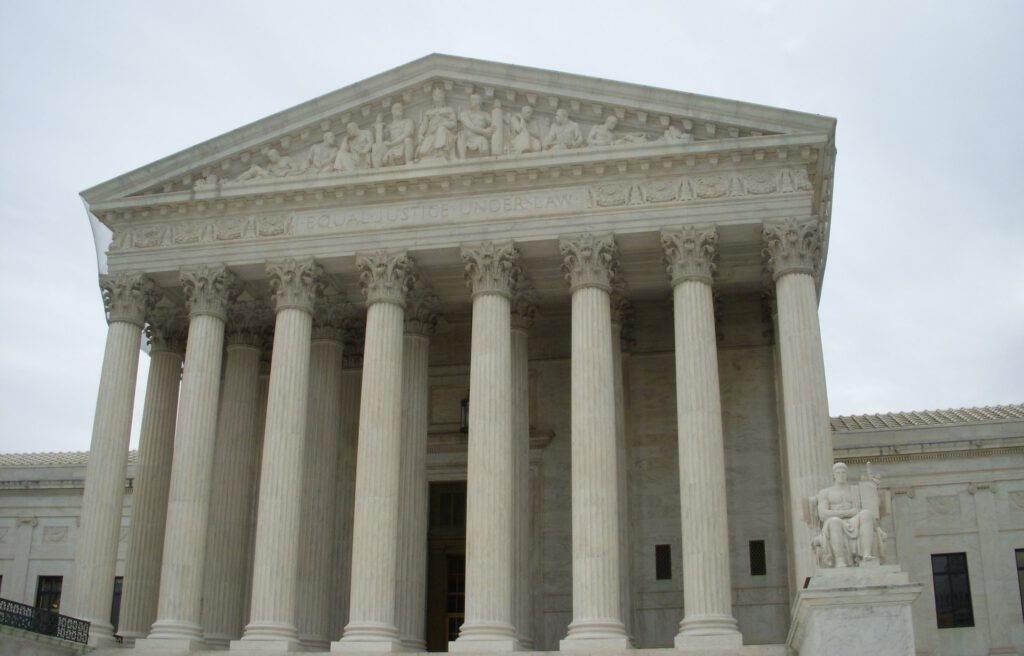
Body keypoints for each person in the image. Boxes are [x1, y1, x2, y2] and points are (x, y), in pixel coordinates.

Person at [815, 462, 882, 567]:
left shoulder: (855, 490)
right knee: (834, 521)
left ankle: (866, 554)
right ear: (834, 475)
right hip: (834, 520)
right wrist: (845, 512)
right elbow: (822, 513)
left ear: (846, 475)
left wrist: (872, 488)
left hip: (854, 520)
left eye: (843, 473)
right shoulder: (826, 492)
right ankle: (840, 560)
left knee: (866, 514)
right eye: (838, 473)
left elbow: (872, 506)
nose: (841, 475)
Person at [417, 87, 458, 161]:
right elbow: (424, 125)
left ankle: (440, 151)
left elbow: (454, 124)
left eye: (439, 94)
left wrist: (443, 124)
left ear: (443, 96)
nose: (437, 97)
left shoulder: (449, 109)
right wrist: (420, 134)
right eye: (435, 95)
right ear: (432, 97)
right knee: (423, 152)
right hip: (431, 135)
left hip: (446, 135)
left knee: (441, 128)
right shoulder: (429, 112)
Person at [373, 102, 416, 167]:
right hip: (392, 149)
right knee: (376, 146)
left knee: (408, 140)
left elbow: (406, 134)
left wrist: (392, 143)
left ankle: (408, 162)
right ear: (392, 111)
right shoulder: (389, 126)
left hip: (403, 146)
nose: (401, 109)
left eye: (401, 108)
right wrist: (379, 123)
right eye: (397, 108)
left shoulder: (408, 121)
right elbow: (380, 142)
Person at [457, 93, 495, 159]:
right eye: (471, 100)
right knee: (461, 134)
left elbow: (494, 124)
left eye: (473, 99)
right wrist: (485, 131)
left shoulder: (485, 115)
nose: (471, 102)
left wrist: (503, 118)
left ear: (479, 102)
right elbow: (470, 126)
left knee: (484, 144)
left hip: (479, 137)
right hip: (467, 136)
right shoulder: (464, 113)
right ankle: (462, 160)